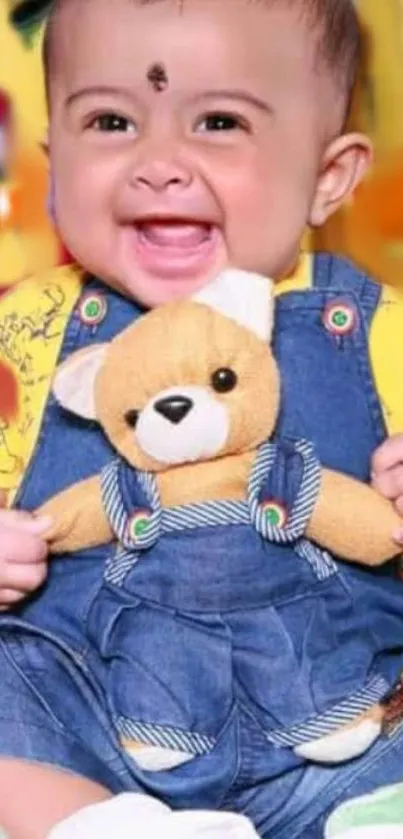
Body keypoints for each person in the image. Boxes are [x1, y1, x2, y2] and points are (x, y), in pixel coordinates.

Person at [1, 1, 403, 837]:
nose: (158, 164)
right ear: (55, 164)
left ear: (328, 177)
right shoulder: (24, 336)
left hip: (342, 733)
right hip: (76, 738)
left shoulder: (378, 331)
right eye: (111, 120)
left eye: (218, 121)